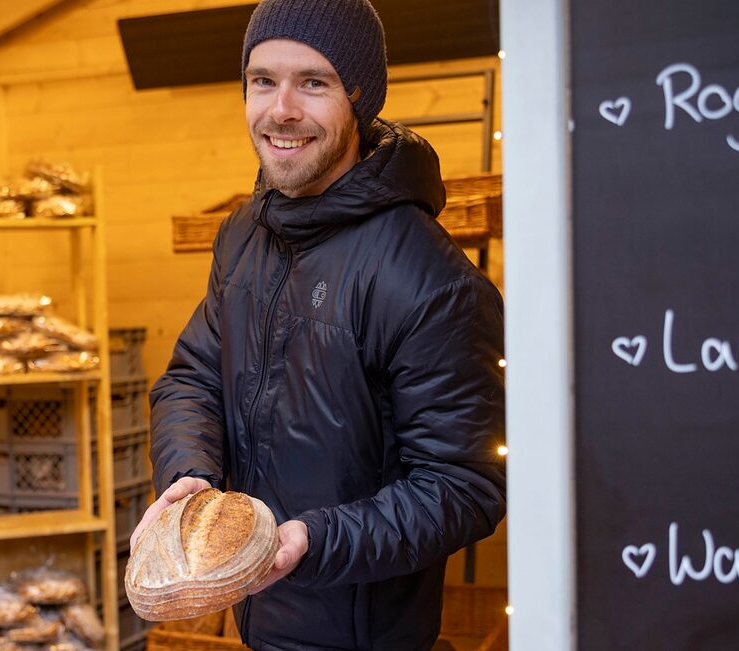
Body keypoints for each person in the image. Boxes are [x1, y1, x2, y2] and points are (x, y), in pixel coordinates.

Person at [134, 0, 506, 648]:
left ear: (358, 98)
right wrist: (188, 476)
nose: (281, 109)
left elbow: (463, 485)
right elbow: (192, 376)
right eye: (262, 80)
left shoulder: (427, 278)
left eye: (313, 82)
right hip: (261, 622)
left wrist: (311, 540)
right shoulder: (243, 236)